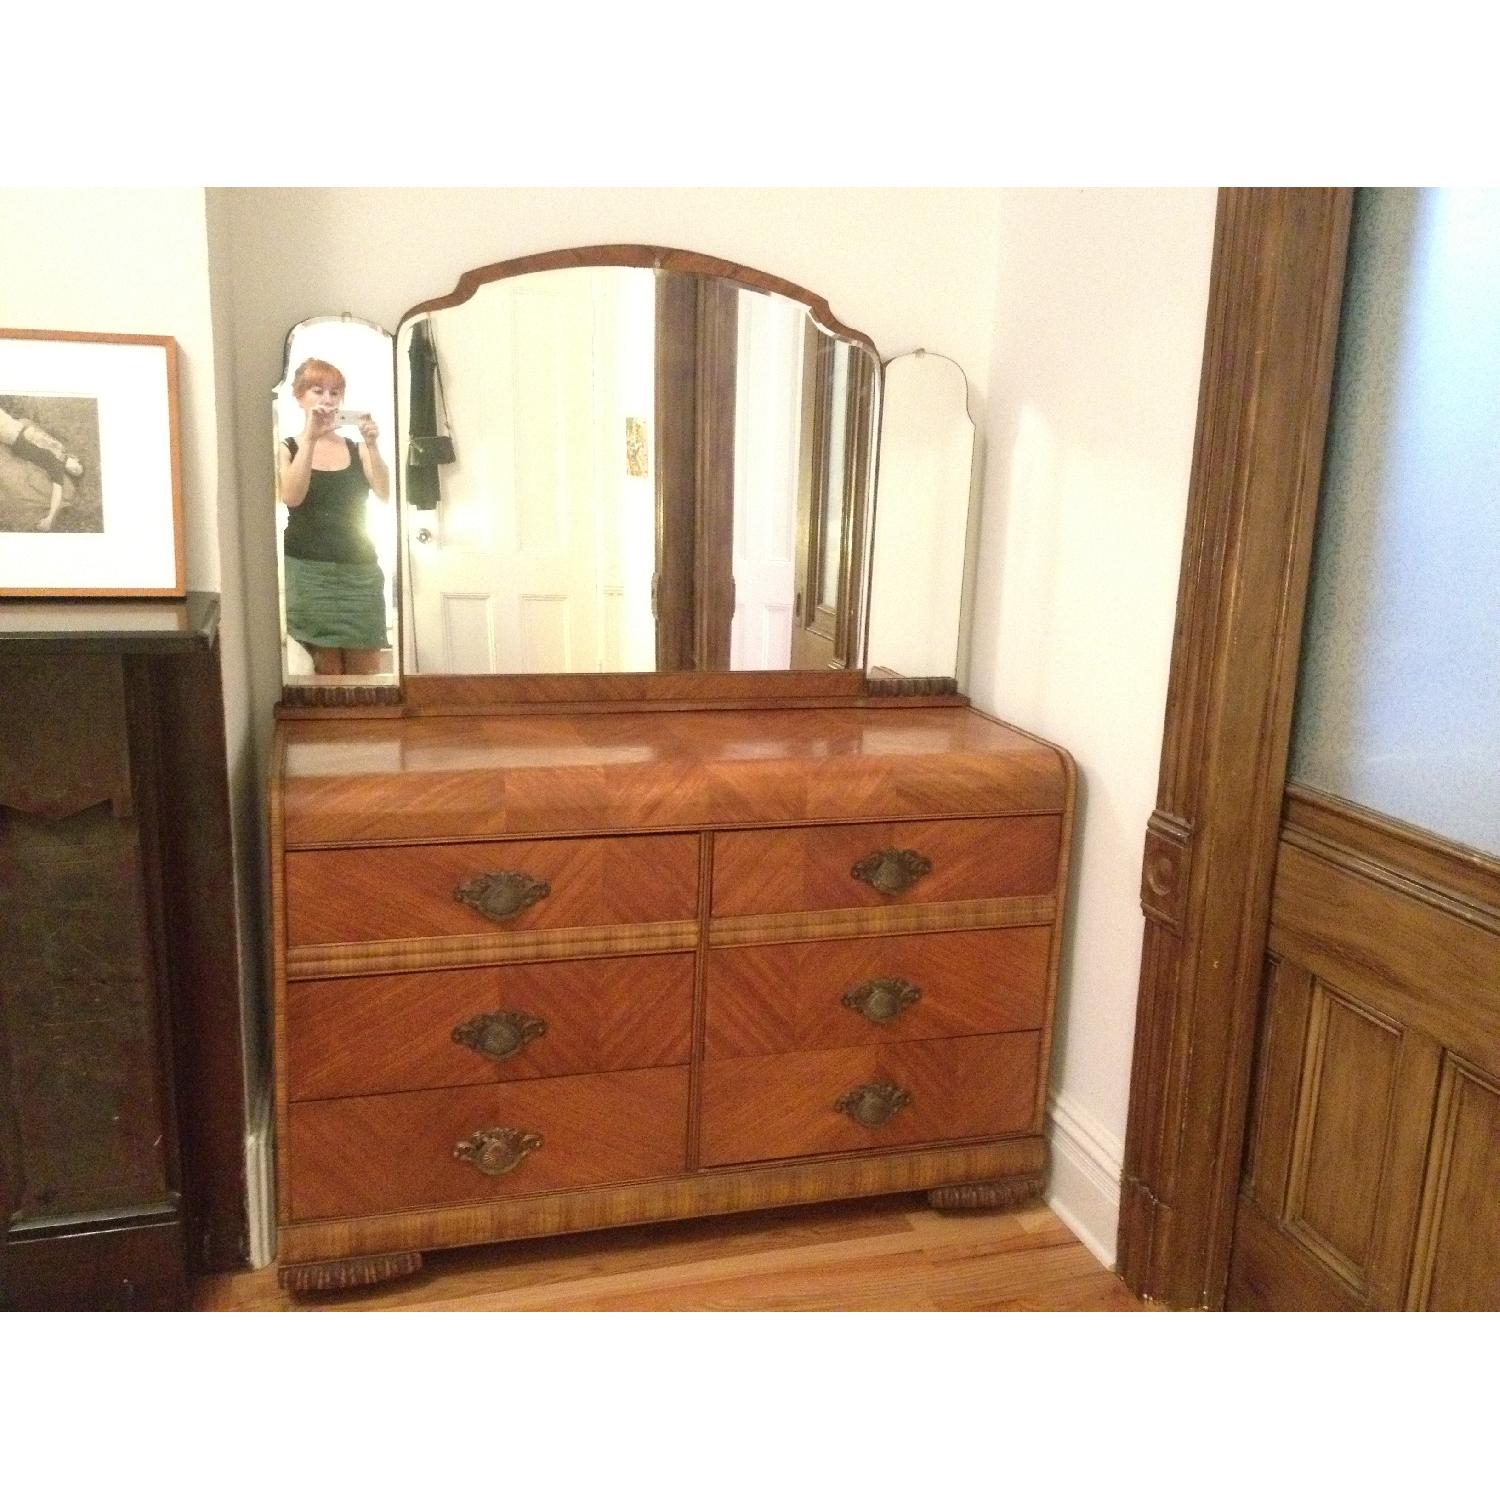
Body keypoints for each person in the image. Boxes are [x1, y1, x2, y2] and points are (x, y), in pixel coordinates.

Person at [278, 358, 391, 675]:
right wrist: (310, 439)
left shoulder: (359, 448)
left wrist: (373, 445)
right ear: (299, 397)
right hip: (309, 572)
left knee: (366, 673)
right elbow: (292, 497)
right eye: (318, 391)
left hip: (360, 572)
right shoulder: (287, 447)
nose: (327, 400)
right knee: (325, 672)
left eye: (335, 392)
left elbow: (384, 492)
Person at [0, 405, 85, 531]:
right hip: (20, 428)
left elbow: (57, 493)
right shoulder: (62, 449)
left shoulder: (57, 466)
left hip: (14, 436)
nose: (73, 469)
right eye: (77, 468)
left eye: (74, 473)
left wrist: (49, 519)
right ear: (76, 460)